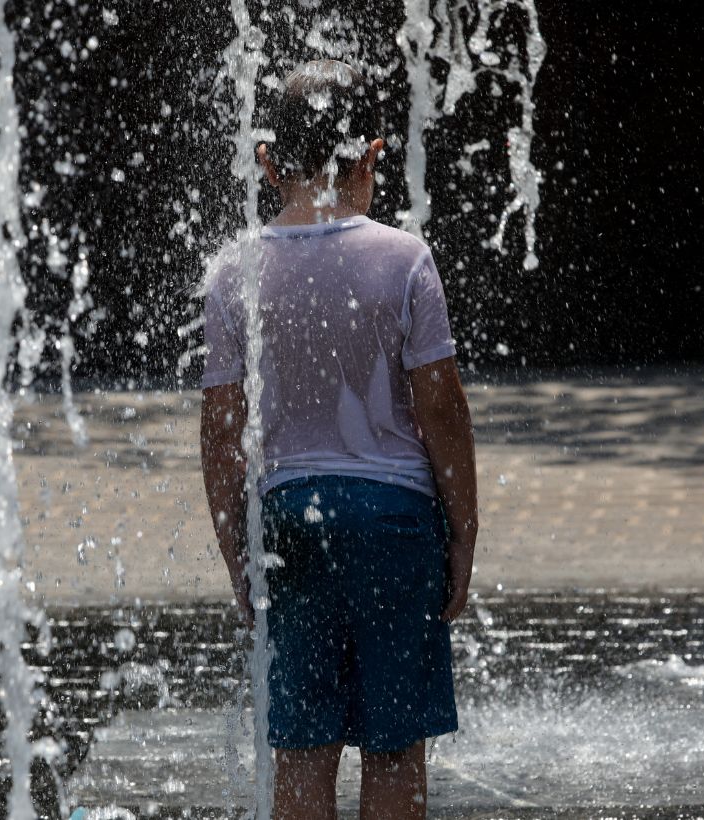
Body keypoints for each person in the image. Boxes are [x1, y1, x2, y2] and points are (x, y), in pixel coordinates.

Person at [199, 59, 478, 820]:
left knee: (301, 747)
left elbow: (221, 432)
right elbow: (444, 410)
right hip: (394, 522)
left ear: (267, 159)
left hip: (290, 519)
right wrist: (464, 533)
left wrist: (237, 553)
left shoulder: (234, 271)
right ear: (374, 154)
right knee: (393, 749)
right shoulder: (404, 259)